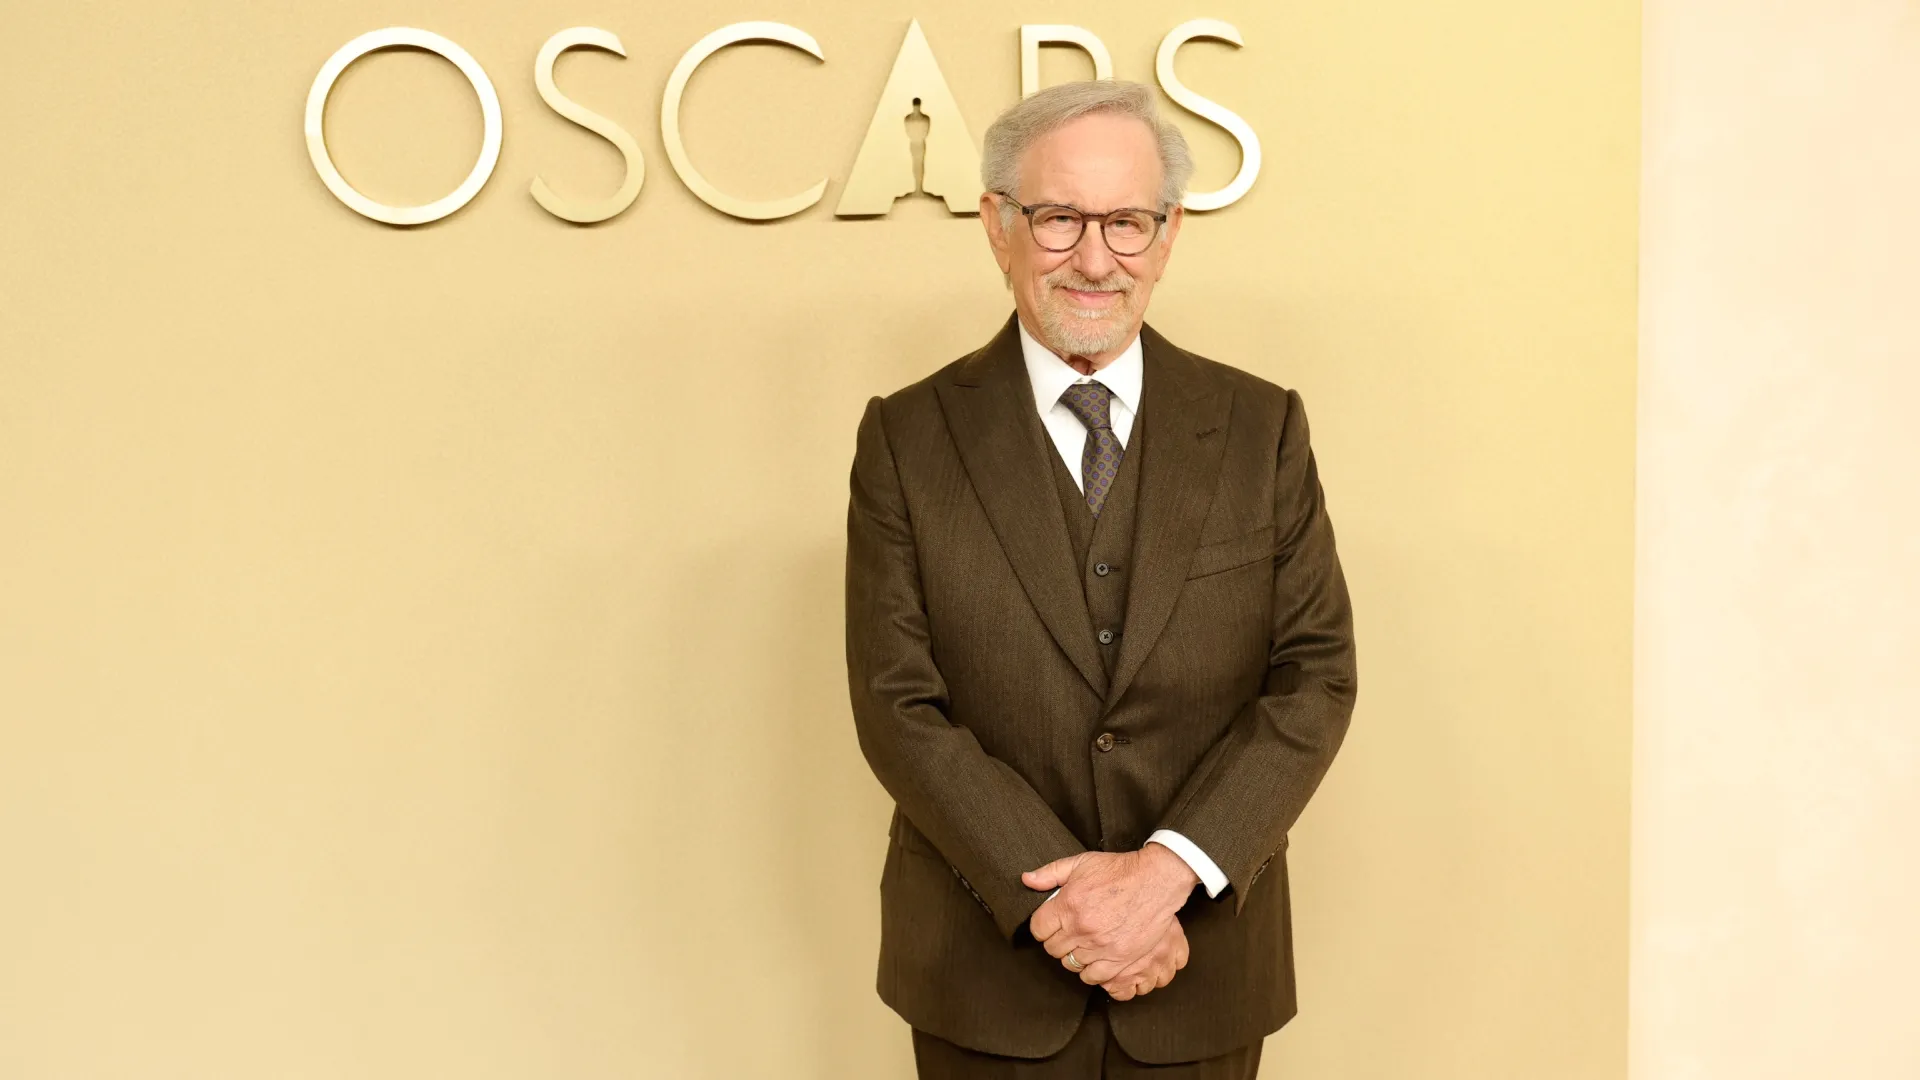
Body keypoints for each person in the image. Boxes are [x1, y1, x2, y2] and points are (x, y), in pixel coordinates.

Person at [844, 79, 1358, 1079]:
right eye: (1059, 218)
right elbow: (896, 704)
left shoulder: (1262, 428)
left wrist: (1167, 876)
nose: (1094, 258)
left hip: (1201, 965)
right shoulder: (905, 438)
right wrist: (1068, 904)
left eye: (1126, 222)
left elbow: (1316, 677)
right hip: (983, 978)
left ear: (1167, 236)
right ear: (997, 225)